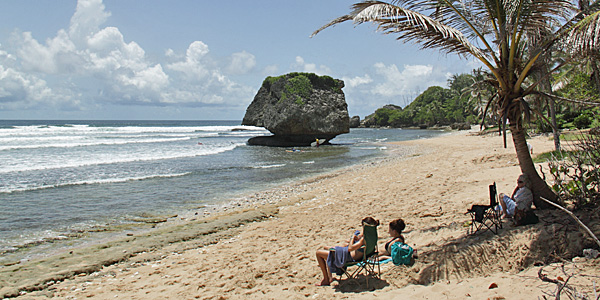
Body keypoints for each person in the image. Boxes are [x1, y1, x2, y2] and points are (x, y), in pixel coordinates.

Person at [315, 216, 379, 286]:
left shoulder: (363, 240)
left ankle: (326, 280)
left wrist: (352, 238)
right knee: (327, 248)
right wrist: (357, 237)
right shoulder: (372, 237)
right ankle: (330, 278)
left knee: (318, 253)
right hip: (362, 255)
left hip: (348, 257)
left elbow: (350, 248)